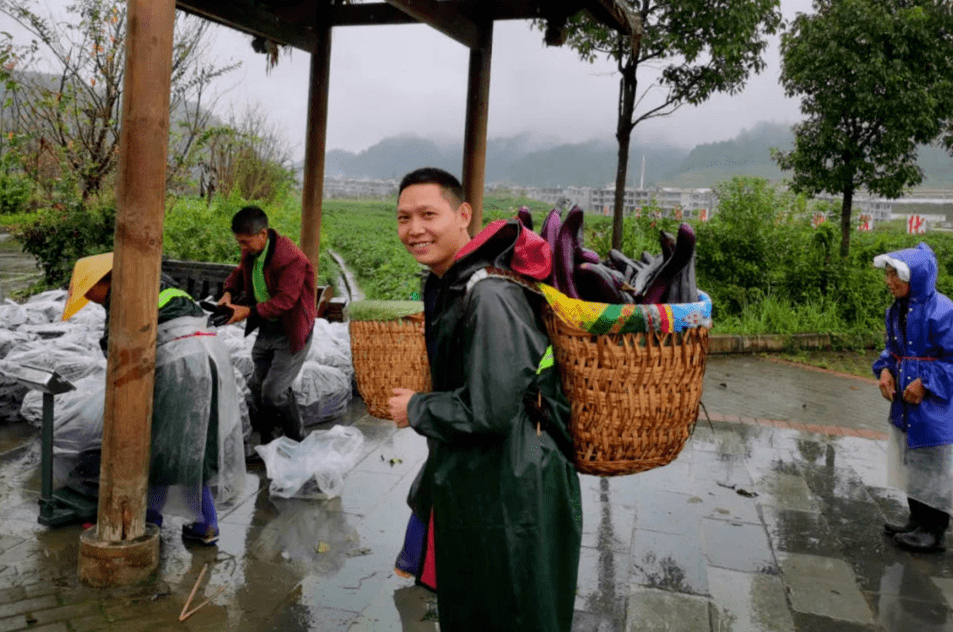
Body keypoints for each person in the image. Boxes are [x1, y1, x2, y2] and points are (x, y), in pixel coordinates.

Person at [387, 167, 582, 631]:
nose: (414, 229)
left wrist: (416, 406)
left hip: (513, 485)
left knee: (512, 609)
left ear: (463, 215)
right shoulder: (452, 283)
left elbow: (489, 410)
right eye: (403, 218)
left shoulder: (490, 294)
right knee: (480, 605)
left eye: (428, 214)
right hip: (484, 479)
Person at [62, 252, 246, 545]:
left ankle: (158, 519)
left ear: (102, 283)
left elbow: (116, 347)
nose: (91, 299)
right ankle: (200, 523)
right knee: (197, 443)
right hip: (211, 357)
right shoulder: (156, 280)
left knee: (163, 444)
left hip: (181, 364)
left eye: (89, 292)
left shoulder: (123, 294)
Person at [873, 242, 953, 553]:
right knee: (913, 461)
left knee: (933, 464)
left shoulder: (943, 311)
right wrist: (885, 370)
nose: (889, 281)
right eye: (888, 273)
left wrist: (927, 383)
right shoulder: (897, 310)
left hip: (934, 405)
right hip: (907, 403)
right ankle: (917, 521)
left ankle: (934, 532)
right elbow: (893, 351)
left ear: (916, 277)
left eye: (897, 275)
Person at [219, 205, 317, 452]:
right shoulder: (252, 252)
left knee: (273, 394)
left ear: (263, 234)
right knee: (257, 388)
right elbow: (240, 273)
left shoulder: (291, 259)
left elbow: (286, 301)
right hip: (267, 328)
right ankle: (269, 448)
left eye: (245, 241)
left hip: (291, 331)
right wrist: (228, 293)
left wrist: (248, 312)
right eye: (239, 242)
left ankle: (297, 442)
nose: (242, 247)